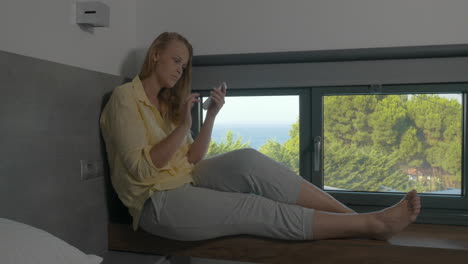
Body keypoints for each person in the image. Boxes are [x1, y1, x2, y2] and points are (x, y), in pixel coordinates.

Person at [100, 32, 421, 242]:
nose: (180, 70)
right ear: (155, 54)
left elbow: (193, 158)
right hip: (156, 203)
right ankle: (373, 225)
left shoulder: (166, 105)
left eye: (184, 66)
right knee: (252, 207)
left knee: (248, 160)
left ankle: (354, 219)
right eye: (175, 60)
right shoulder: (124, 99)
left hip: (186, 179)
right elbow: (141, 171)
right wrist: (184, 125)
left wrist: (210, 115)